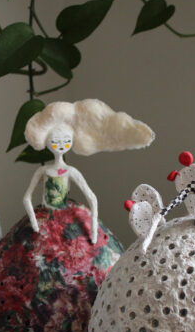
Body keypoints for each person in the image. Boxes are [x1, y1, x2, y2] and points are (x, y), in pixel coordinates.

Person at [23, 99, 155, 244]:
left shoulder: (71, 171)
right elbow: (27, 197)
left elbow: (92, 197)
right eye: (55, 142)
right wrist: (34, 221)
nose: (61, 145)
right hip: (44, 219)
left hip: (66, 218)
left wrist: (93, 228)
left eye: (66, 141)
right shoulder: (44, 170)